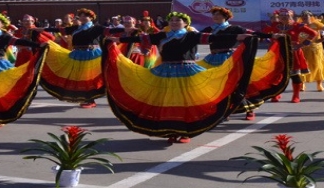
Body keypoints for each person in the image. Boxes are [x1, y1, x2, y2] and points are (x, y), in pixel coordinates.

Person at [104, 11, 257, 144]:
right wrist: (118, 40)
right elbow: (139, 39)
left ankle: (184, 131)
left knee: (186, 102)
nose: (174, 22)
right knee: (167, 101)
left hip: (187, 72)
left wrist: (241, 36)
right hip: (164, 72)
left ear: (185, 23)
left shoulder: (192, 36)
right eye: (172, 20)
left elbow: (216, 38)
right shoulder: (161, 36)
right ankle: (171, 130)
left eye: (178, 20)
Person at [197, 6, 285, 120]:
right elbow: (195, 37)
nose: (215, 16)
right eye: (214, 15)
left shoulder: (235, 28)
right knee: (217, 86)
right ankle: (223, 111)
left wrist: (271, 35)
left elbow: (254, 33)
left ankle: (250, 109)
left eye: (218, 14)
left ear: (225, 17)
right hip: (213, 59)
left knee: (239, 84)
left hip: (231, 58)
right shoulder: (209, 29)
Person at [37, 8, 109, 108]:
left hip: (92, 55)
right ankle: (85, 98)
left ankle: (91, 100)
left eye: (86, 16)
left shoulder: (96, 28)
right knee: (79, 77)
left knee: (88, 78)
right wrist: (43, 29)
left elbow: (111, 31)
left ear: (91, 18)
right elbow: (60, 30)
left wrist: (128, 29)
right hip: (78, 54)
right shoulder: (77, 28)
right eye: (81, 16)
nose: (83, 18)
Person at [263, 8, 320, 103]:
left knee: (294, 74)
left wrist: (301, 44)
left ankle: (296, 95)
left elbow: (313, 33)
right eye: (282, 16)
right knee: (277, 75)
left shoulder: (297, 25)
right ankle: (276, 94)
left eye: (286, 16)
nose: (284, 18)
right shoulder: (275, 25)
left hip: (292, 52)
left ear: (291, 16)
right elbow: (265, 32)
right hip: (278, 52)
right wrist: (271, 41)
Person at [298, 11, 324, 92]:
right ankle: (302, 83)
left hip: (315, 49)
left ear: (310, 16)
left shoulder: (316, 24)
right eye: (303, 17)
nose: (304, 18)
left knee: (317, 66)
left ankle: (319, 84)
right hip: (302, 48)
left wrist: (323, 39)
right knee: (303, 65)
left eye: (306, 16)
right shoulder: (299, 25)